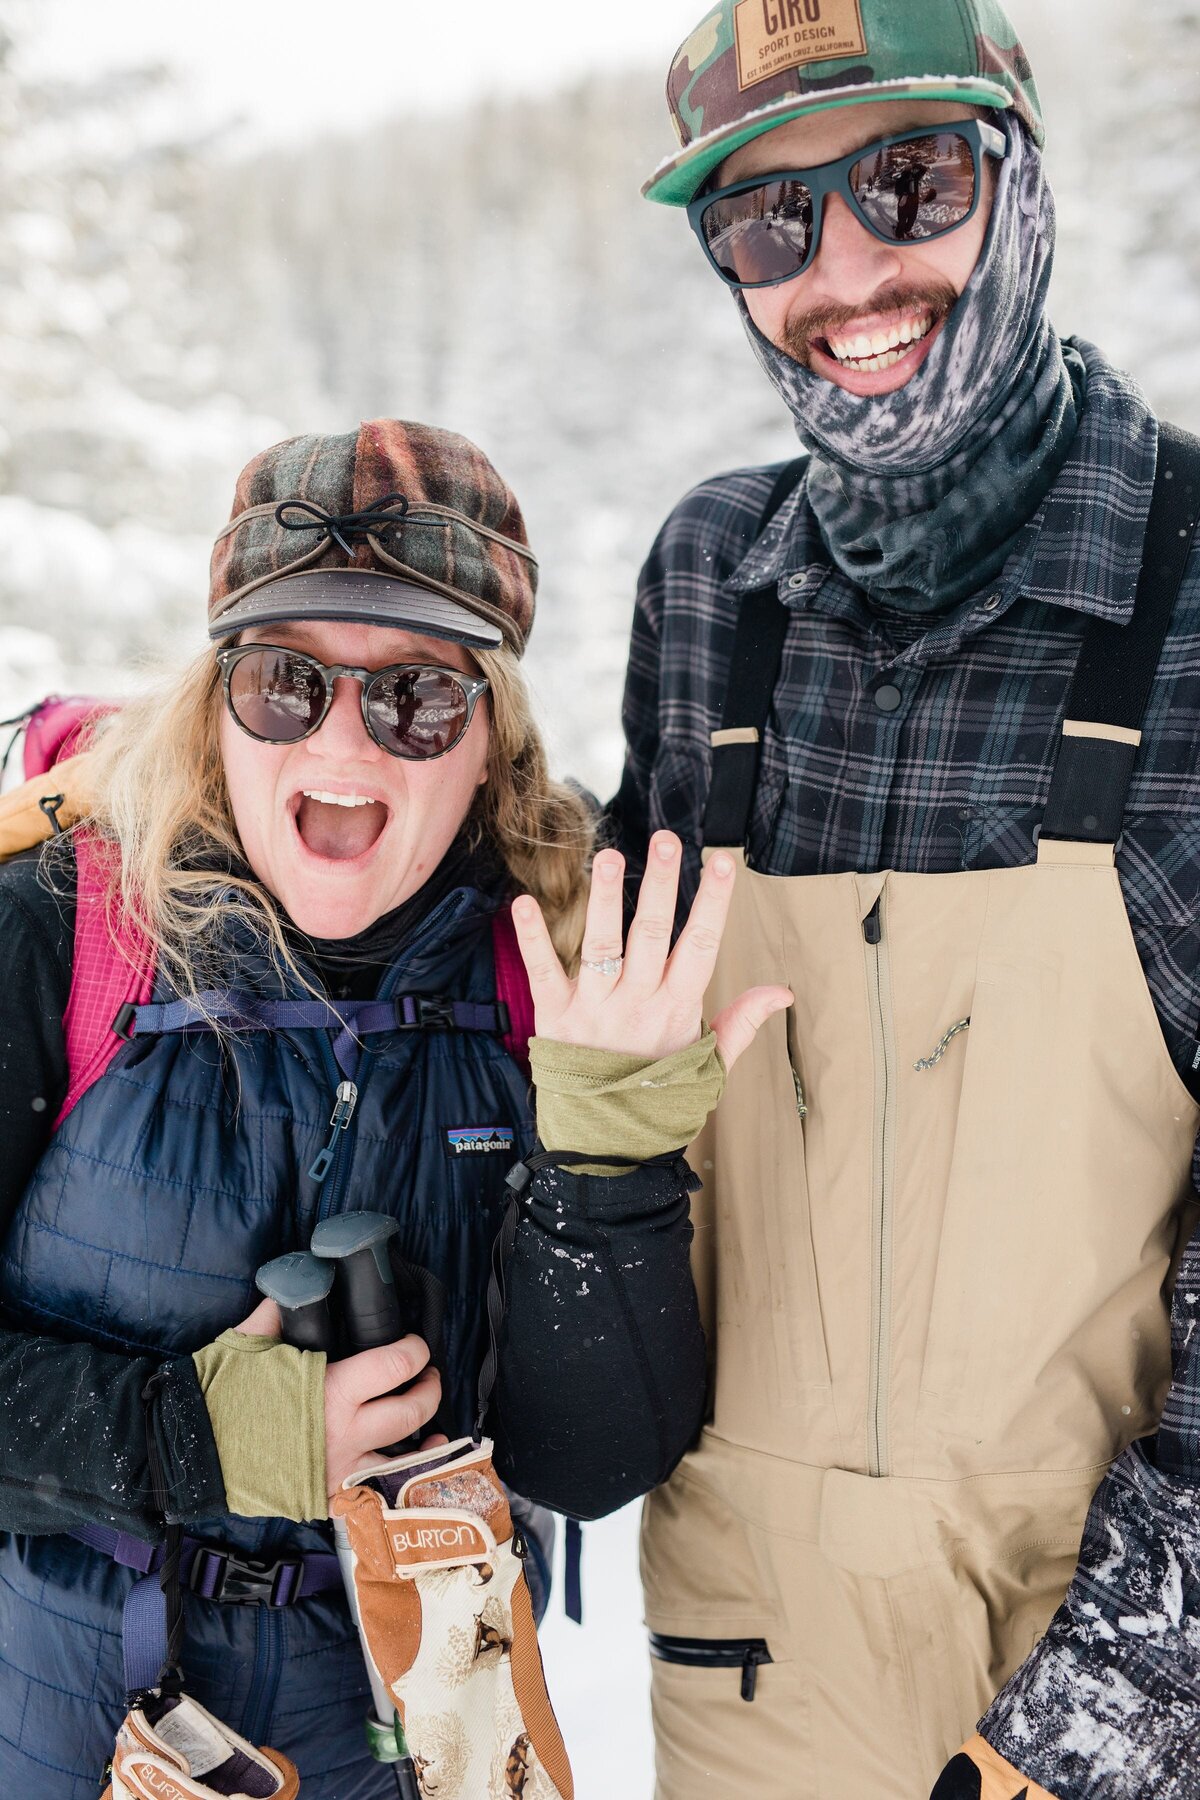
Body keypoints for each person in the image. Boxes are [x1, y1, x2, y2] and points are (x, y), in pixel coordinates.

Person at [565, 1, 1200, 1795]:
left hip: (1110, 1673)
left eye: (909, 182)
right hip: (753, 1674)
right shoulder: (710, 586)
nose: (845, 273)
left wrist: (1122, 1706)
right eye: (769, 224)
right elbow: (614, 1011)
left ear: (1023, 181)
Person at [0, 418, 781, 1798]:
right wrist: (198, 1435)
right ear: (215, 706)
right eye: (286, 682)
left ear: (489, 740)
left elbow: (593, 1460)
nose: (346, 737)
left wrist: (607, 1169)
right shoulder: (59, 937)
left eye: (417, 695)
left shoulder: (552, 976)